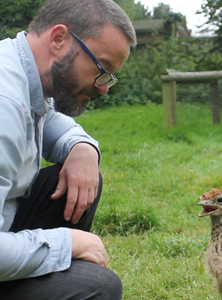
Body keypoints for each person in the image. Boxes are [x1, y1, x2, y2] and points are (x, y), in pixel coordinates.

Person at [0, 0, 136, 299]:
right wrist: (67, 243)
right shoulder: (4, 102)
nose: (104, 88)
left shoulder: (29, 75)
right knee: (98, 286)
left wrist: (84, 148)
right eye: (102, 68)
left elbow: (54, 123)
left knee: (85, 177)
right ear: (59, 39)